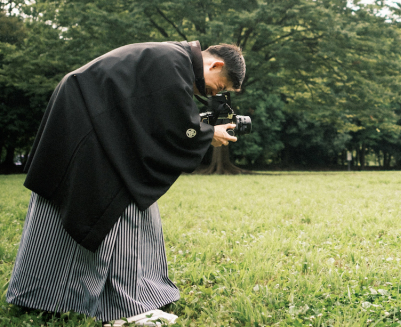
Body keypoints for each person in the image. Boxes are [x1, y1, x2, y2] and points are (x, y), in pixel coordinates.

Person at [6, 41, 245, 325]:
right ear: (215, 65)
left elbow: (150, 119)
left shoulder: (171, 59)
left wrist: (201, 131)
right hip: (91, 130)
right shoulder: (172, 64)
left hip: (86, 124)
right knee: (122, 206)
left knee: (83, 208)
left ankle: (43, 295)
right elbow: (173, 127)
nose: (215, 94)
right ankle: (128, 306)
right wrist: (207, 135)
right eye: (220, 86)